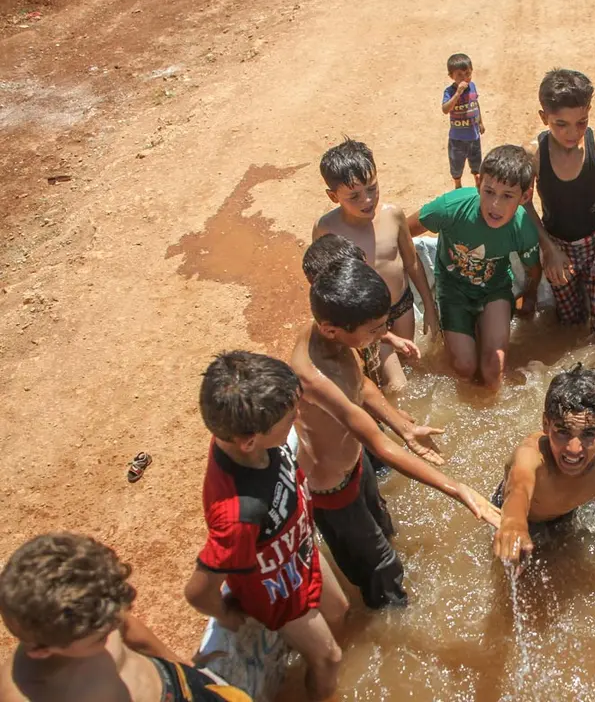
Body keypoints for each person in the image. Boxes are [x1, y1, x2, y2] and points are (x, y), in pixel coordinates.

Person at [290, 254, 501, 609]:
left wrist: (404, 426)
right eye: (375, 331)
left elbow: (361, 386)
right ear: (331, 329)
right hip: (333, 492)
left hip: (357, 467)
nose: (381, 337)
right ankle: (391, 628)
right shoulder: (312, 378)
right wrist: (457, 489)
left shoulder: (336, 336)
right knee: (381, 570)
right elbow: (378, 444)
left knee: (386, 529)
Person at [183, 351, 346, 702]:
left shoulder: (246, 439)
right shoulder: (238, 514)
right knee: (330, 658)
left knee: (340, 611)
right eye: (289, 419)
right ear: (249, 440)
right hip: (279, 591)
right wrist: (224, 614)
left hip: (299, 552)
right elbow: (198, 591)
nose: (297, 418)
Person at [0, 532, 252, 702]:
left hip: (184, 686)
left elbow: (129, 629)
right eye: (101, 637)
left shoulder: (90, 611)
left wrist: (182, 666)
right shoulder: (25, 694)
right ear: (42, 650)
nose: (113, 629)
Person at [492, 364, 595, 580]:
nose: (574, 449)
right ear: (546, 424)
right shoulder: (531, 456)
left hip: (569, 512)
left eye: (588, 434)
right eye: (563, 432)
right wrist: (514, 523)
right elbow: (518, 488)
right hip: (524, 519)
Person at [405, 145, 541, 389]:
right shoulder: (451, 208)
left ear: (525, 197)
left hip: (494, 290)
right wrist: (427, 301)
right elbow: (403, 232)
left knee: (493, 370)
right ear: (478, 184)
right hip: (452, 289)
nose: (495, 205)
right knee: (464, 367)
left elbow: (534, 269)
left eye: (507, 196)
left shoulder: (523, 228)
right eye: (489, 192)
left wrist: (529, 297)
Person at [314, 138, 438, 392]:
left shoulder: (393, 215)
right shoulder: (327, 229)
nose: (367, 200)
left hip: (401, 306)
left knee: (408, 362)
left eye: (372, 188)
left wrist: (429, 306)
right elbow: (325, 283)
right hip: (364, 319)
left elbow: (412, 263)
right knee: (397, 384)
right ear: (333, 196)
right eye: (354, 196)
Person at [522, 69, 595, 340]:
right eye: (561, 124)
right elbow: (524, 203)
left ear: (589, 112)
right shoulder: (534, 153)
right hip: (557, 247)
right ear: (543, 117)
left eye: (581, 122)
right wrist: (548, 248)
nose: (573, 133)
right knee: (569, 322)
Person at [441, 53, 485, 189]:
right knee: (457, 165)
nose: (464, 78)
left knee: (476, 164)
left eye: (467, 73)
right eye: (459, 75)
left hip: (473, 135)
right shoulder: (449, 91)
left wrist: (480, 122)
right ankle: (457, 185)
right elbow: (445, 109)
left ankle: (478, 184)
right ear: (451, 76)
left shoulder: (472, 86)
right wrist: (457, 93)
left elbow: (475, 104)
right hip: (457, 138)